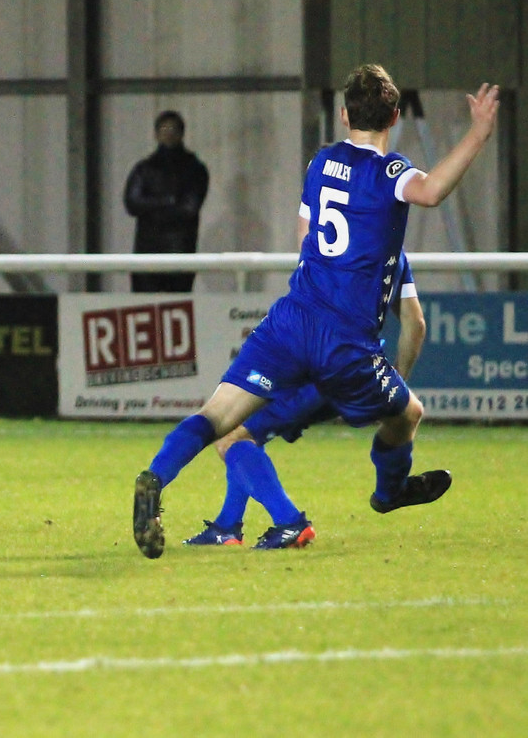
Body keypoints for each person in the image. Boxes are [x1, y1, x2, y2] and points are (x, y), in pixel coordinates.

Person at [132, 66, 499, 560]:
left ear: (344, 115)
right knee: (409, 411)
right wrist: (477, 133)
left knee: (217, 417)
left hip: (292, 318)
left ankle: (155, 479)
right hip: (343, 340)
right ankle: (388, 493)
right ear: (394, 116)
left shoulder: (321, 163)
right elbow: (430, 192)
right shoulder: (389, 173)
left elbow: (305, 239)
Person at [185, 253, 424, 549]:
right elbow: (416, 323)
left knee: (231, 439)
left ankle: (289, 523)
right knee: (244, 435)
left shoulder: (333, 241)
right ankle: (226, 526)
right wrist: (393, 385)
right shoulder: (392, 253)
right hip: (361, 371)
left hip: (318, 365)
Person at [122, 111, 209, 292]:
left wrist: (151, 207)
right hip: (146, 254)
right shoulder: (144, 169)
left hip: (180, 253)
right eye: (164, 129)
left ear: (182, 133)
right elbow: (131, 203)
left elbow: (189, 209)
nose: (168, 134)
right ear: (155, 134)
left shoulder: (195, 169)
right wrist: (168, 201)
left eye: (173, 129)